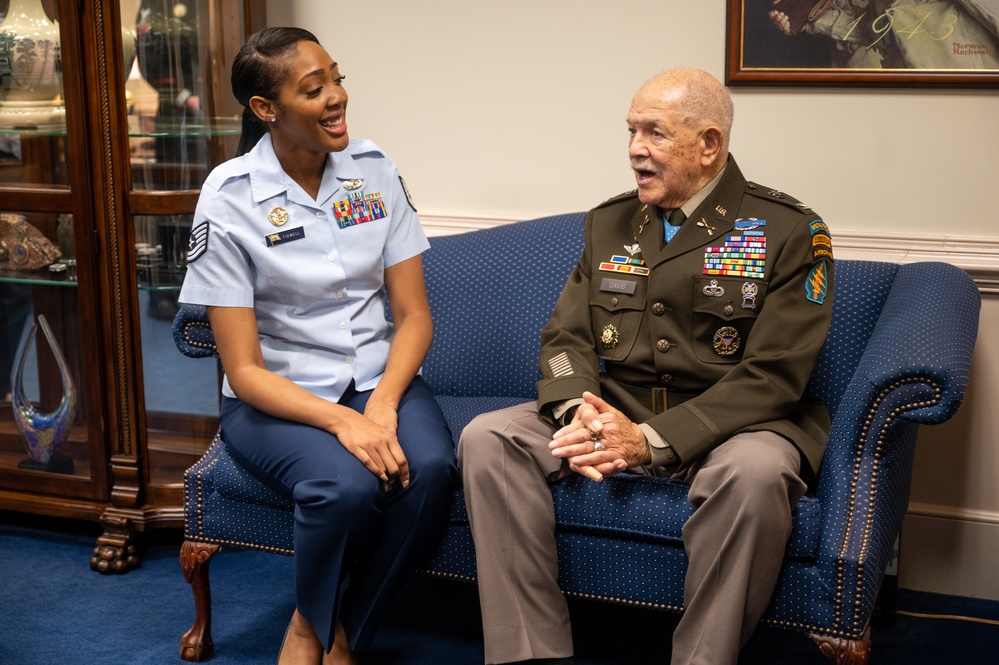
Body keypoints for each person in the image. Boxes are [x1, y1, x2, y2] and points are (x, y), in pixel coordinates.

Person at [458, 67, 835, 665]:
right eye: (632, 131)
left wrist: (651, 441)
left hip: (737, 424)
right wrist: (578, 411)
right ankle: (529, 654)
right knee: (490, 437)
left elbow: (774, 375)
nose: (635, 149)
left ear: (709, 144)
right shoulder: (609, 221)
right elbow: (566, 336)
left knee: (757, 475)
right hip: (615, 407)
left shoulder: (788, 230)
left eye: (655, 133)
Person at [178, 27, 458, 665]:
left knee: (432, 471)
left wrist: (382, 405)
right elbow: (243, 369)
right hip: (274, 398)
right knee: (346, 486)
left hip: (377, 378)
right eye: (314, 89)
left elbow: (414, 317)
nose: (337, 98)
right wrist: (343, 423)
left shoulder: (373, 170)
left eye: (337, 78)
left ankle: (331, 629)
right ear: (266, 110)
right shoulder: (229, 198)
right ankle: (316, 627)